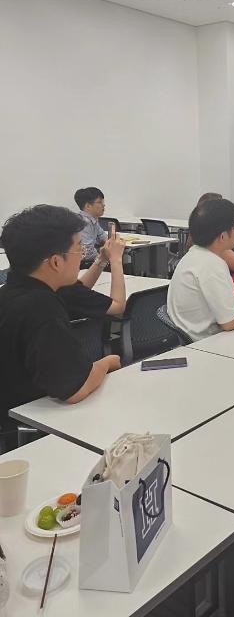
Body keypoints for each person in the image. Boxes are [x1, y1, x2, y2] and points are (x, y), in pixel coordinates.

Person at [0, 206, 121, 436]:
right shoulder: (41, 309)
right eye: (78, 249)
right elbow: (75, 389)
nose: (84, 255)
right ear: (56, 262)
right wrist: (108, 363)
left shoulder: (13, 292)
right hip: (33, 427)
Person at [168, 198, 234, 341]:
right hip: (208, 343)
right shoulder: (211, 264)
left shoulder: (193, 255)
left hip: (192, 338)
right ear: (222, 236)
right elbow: (230, 322)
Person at [58, 225, 127, 320]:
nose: (82, 257)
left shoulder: (46, 284)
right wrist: (116, 259)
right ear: (56, 261)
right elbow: (118, 307)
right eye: (79, 250)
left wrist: (102, 259)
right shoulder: (66, 293)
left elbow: (79, 288)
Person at [74, 186, 108, 264]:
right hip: (83, 264)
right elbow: (87, 253)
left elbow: (103, 236)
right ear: (88, 206)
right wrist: (103, 257)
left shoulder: (93, 220)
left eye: (103, 202)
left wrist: (110, 244)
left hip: (91, 260)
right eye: (99, 202)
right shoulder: (83, 222)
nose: (104, 205)